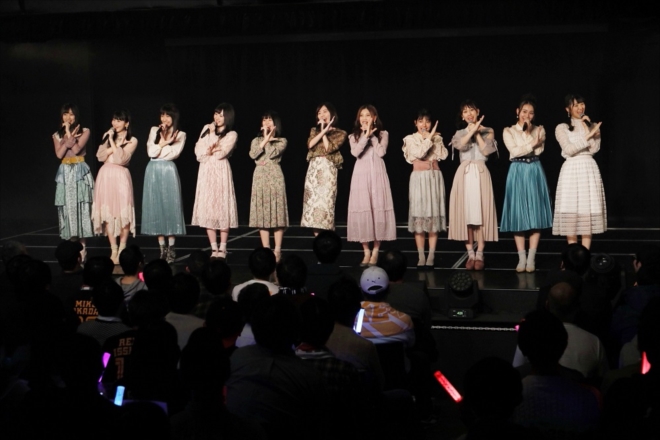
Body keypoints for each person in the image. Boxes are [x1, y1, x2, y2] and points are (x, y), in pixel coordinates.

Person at [500, 95, 553, 272]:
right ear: (518, 112)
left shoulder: (540, 130)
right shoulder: (508, 131)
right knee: (518, 215)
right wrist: (531, 143)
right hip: (517, 170)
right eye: (524, 111)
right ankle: (521, 258)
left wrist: (529, 133)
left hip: (534, 169)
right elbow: (515, 151)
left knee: (536, 215)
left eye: (531, 113)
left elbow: (539, 150)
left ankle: (531, 258)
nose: (527, 115)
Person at [448, 99, 498, 270]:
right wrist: (471, 131)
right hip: (464, 174)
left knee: (481, 214)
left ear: (477, 111)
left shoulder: (488, 130)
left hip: (481, 173)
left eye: (471, 110)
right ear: (462, 116)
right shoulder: (459, 133)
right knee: (466, 215)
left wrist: (477, 132)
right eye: (465, 111)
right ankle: (470, 253)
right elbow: (461, 146)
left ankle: (480, 253)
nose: (469, 114)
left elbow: (487, 151)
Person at [553, 93, 606, 249]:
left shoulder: (592, 125)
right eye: (575, 105)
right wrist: (589, 135)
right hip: (571, 170)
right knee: (570, 213)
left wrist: (587, 127)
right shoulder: (562, 127)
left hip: (588, 169)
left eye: (582, 104)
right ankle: (572, 254)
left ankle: (585, 254)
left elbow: (594, 149)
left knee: (586, 213)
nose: (580, 108)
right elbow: (569, 149)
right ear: (568, 109)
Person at [347, 104, 396, 266]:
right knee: (364, 210)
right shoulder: (353, 136)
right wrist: (364, 136)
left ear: (374, 118)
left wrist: (372, 136)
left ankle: (375, 251)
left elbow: (381, 152)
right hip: (361, 178)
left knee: (377, 211)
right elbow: (355, 152)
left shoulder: (383, 134)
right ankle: (366, 251)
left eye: (368, 115)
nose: (364, 118)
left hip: (377, 176)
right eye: (362, 115)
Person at [191, 103, 238, 258]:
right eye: (216, 114)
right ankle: (213, 248)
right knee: (209, 209)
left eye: (221, 115)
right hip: (206, 170)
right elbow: (198, 151)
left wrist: (212, 142)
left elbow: (220, 154)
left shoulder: (231, 134)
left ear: (227, 117)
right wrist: (210, 148)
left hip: (221, 171)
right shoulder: (206, 128)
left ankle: (223, 248)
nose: (217, 118)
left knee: (222, 208)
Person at [141, 103, 187, 263]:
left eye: (168, 116)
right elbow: (151, 152)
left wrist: (161, 148)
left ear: (174, 117)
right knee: (156, 207)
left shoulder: (180, 134)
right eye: (162, 115)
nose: (164, 119)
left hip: (168, 170)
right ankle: (162, 249)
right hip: (152, 170)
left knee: (170, 207)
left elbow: (173, 154)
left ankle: (171, 248)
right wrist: (163, 143)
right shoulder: (154, 130)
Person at [402, 108, 448, 268]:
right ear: (415, 123)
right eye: (420, 121)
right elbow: (420, 153)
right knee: (420, 217)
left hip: (434, 178)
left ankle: (431, 255)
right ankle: (421, 256)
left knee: (433, 217)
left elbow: (443, 155)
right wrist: (428, 138)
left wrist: (435, 138)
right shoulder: (410, 139)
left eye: (427, 121)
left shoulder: (437, 137)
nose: (424, 124)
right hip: (419, 179)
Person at [91, 109, 138, 265]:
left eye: (119, 120)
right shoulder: (107, 136)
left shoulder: (132, 140)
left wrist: (111, 143)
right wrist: (111, 142)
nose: (115, 123)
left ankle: (123, 248)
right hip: (106, 176)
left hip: (121, 176)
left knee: (123, 213)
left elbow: (120, 159)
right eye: (114, 120)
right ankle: (114, 249)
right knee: (109, 214)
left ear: (126, 123)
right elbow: (100, 156)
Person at [52, 103, 94, 261]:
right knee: (67, 207)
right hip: (64, 172)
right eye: (65, 114)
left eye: (71, 114)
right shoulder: (57, 135)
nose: (68, 117)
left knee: (81, 207)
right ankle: (72, 248)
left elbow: (76, 150)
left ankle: (83, 250)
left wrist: (69, 134)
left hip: (79, 171)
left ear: (76, 116)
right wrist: (68, 138)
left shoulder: (85, 131)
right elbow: (59, 154)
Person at [300, 102, 346, 234]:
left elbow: (329, 148)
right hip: (314, 168)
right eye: (319, 113)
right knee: (313, 206)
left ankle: (327, 238)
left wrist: (325, 132)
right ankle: (317, 239)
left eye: (325, 111)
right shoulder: (314, 130)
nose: (322, 115)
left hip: (328, 169)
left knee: (326, 205)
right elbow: (310, 144)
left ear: (332, 114)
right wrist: (321, 130)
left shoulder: (340, 133)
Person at [249, 111, 289, 261]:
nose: (266, 123)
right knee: (262, 215)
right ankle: (266, 249)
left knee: (277, 213)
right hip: (259, 176)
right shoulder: (256, 140)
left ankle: (277, 250)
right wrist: (265, 139)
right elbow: (253, 154)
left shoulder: (282, 140)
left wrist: (269, 139)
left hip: (275, 176)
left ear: (275, 123)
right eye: (264, 120)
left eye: (270, 120)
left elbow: (272, 153)